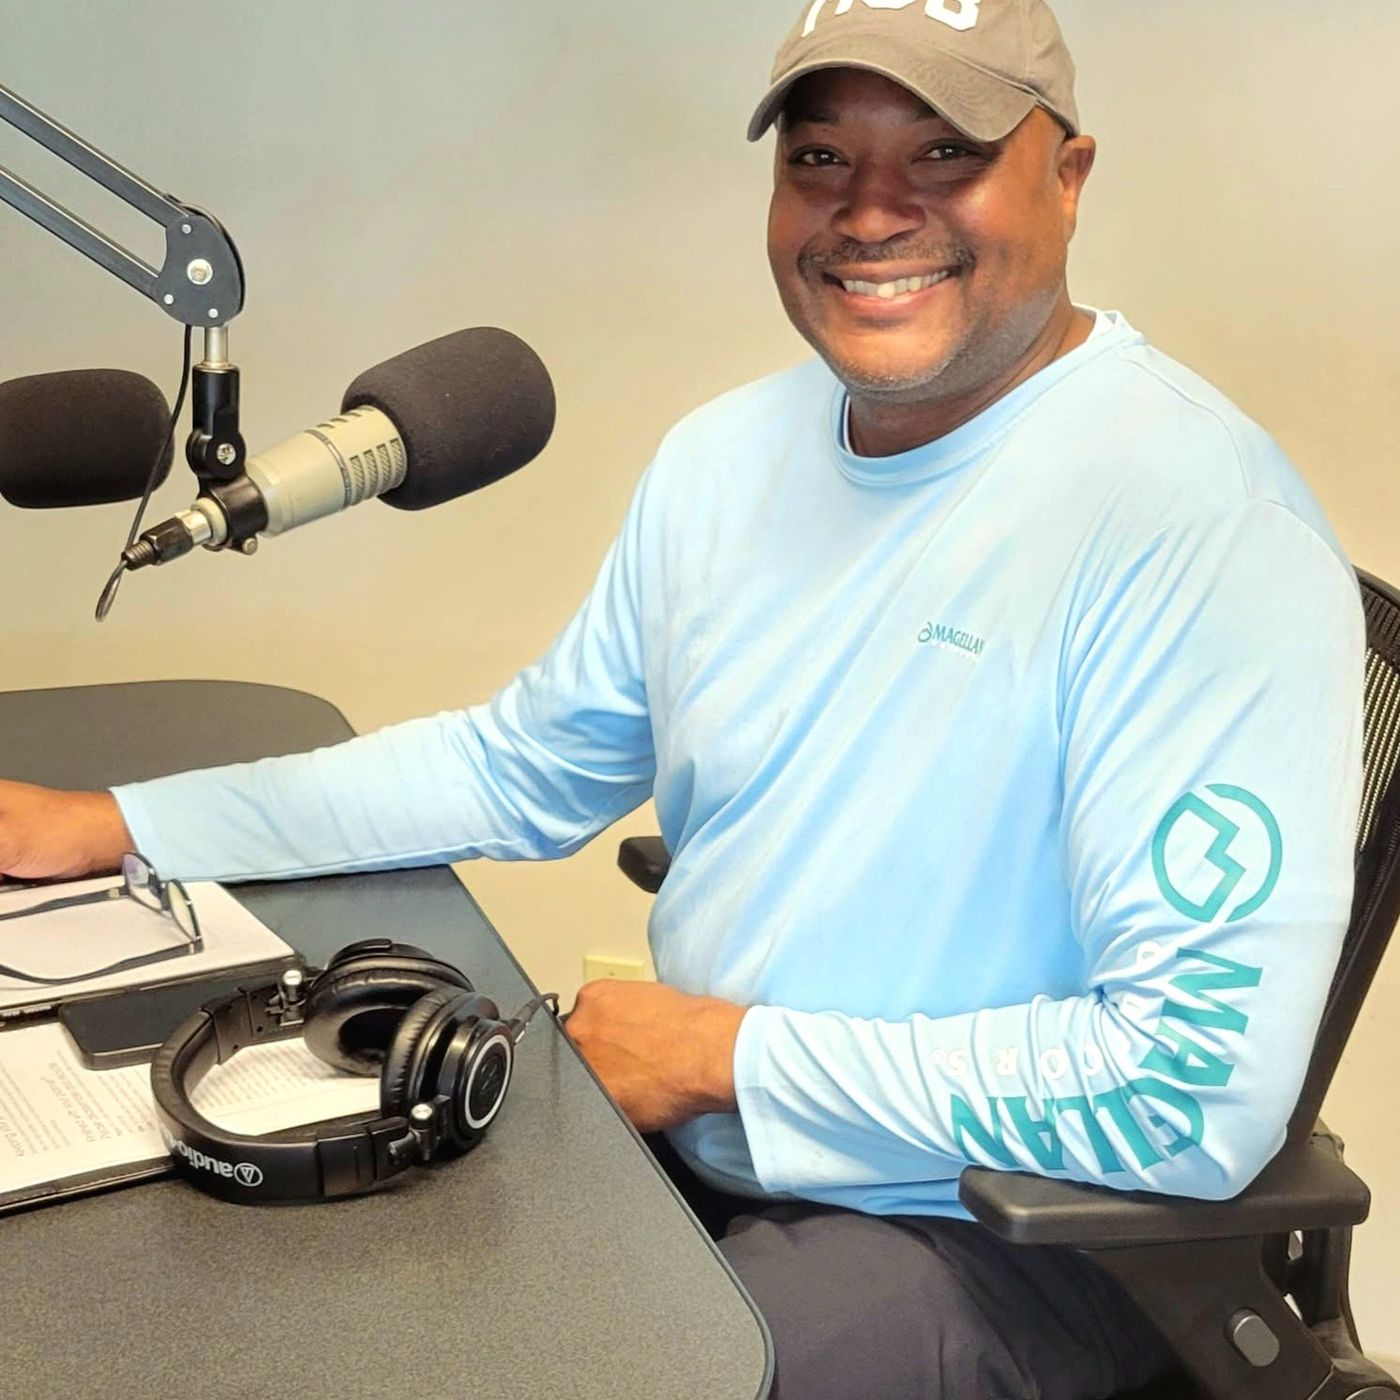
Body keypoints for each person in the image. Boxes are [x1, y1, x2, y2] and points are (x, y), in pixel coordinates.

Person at [0, 3, 1365, 1396]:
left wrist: (729, 1057)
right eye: (821, 158)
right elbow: (516, 768)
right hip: (705, 1140)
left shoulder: (1200, 530)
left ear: (1067, 178)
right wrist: (118, 824)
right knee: (279, 1293)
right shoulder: (726, 460)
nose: (870, 212)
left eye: (945, 153)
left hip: (998, 1228)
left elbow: (1190, 1093)